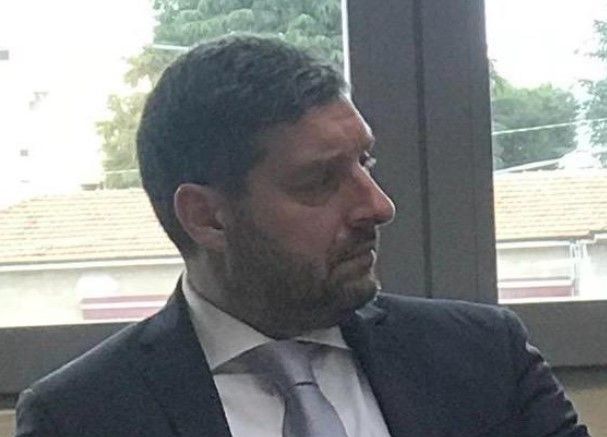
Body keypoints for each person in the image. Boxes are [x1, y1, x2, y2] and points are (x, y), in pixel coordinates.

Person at [16, 34, 589, 437]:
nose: (378, 206)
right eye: (320, 182)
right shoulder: (83, 416)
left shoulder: (482, 357)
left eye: (365, 163)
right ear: (207, 217)